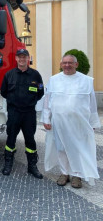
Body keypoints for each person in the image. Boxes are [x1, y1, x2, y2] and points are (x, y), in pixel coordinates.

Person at [42, 54, 101, 188]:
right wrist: (46, 119)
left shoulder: (86, 81)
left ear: (76, 64)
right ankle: (64, 173)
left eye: (70, 63)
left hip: (78, 123)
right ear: (61, 64)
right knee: (61, 148)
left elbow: (92, 103)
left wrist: (93, 123)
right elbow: (47, 100)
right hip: (59, 122)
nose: (67, 65)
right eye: (64, 63)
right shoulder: (54, 80)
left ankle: (77, 175)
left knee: (78, 148)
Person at [0, 48, 44, 178]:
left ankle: (32, 166)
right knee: (11, 139)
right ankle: (8, 164)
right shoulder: (9, 75)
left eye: (24, 57)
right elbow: (4, 92)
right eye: (19, 57)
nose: (22, 59)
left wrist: (31, 101)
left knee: (30, 140)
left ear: (28, 58)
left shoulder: (35, 75)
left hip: (29, 113)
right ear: (16, 59)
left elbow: (40, 92)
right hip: (14, 112)